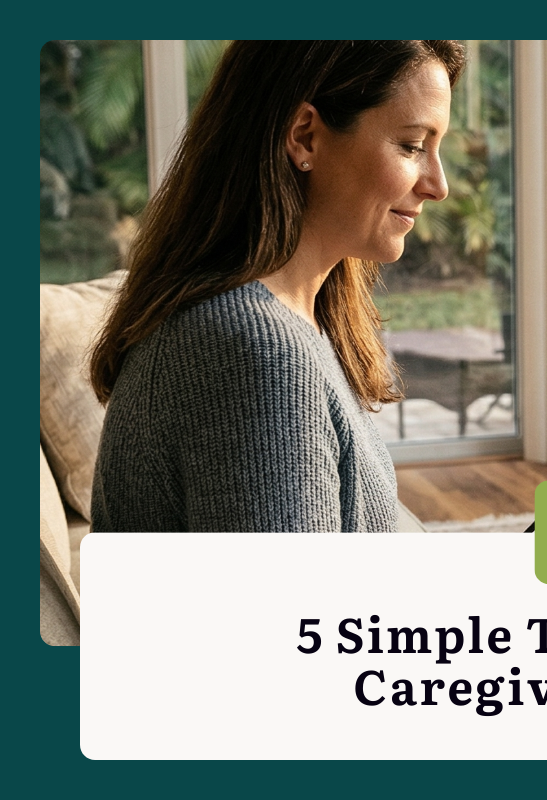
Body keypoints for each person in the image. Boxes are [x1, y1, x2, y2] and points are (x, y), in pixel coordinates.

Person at [89, 41, 466, 532]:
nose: (438, 185)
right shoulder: (254, 354)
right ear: (305, 136)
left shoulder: (298, 321)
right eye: (412, 146)